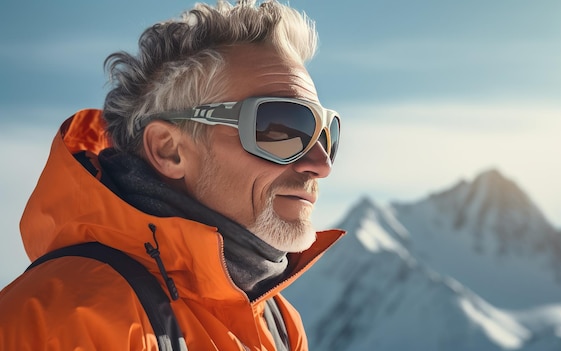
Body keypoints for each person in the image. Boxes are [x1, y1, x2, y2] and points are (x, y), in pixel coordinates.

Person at [0, 1, 344, 350]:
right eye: (279, 128)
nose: (320, 163)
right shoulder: (61, 322)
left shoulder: (280, 324)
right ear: (169, 150)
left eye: (326, 134)